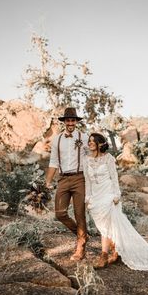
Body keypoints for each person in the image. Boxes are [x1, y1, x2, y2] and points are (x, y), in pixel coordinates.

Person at [83, 133, 148, 270]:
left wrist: (116, 195)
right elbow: (87, 181)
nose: (89, 143)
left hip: (108, 195)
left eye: (92, 141)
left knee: (106, 227)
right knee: (104, 226)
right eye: (89, 141)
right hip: (95, 197)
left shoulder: (108, 158)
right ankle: (116, 250)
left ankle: (103, 256)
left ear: (100, 144)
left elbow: (114, 178)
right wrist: (88, 198)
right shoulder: (86, 160)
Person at [45, 107, 88, 261]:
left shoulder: (84, 137)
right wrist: (48, 181)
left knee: (79, 213)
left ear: (76, 122)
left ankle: (80, 246)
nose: (70, 123)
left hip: (79, 179)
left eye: (73, 120)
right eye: (68, 120)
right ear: (64, 122)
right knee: (60, 213)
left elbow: (91, 157)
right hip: (63, 179)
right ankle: (82, 234)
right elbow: (53, 161)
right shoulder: (57, 139)